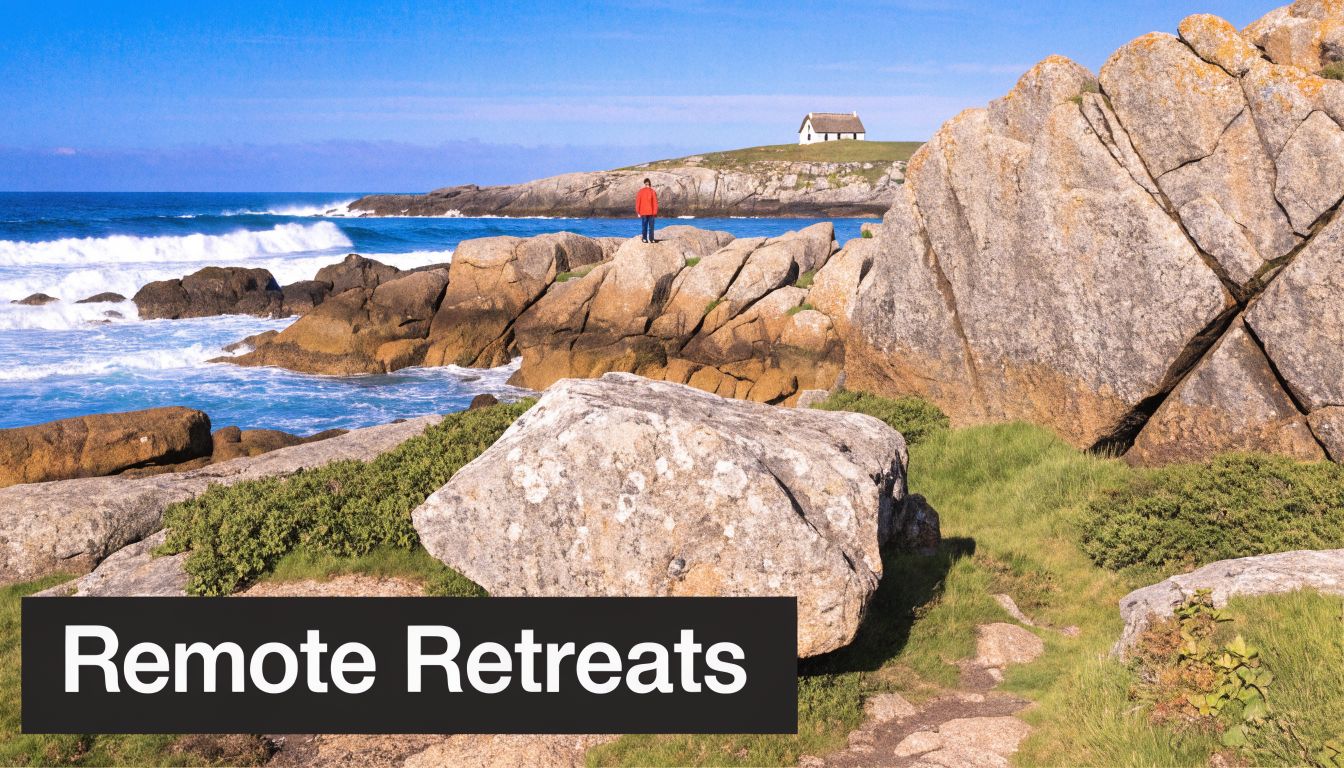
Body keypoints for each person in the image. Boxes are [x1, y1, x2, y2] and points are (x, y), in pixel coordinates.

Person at [636, 178, 658, 243]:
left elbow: (638, 202)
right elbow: (655, 203)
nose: (647, 185)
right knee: (649, 227)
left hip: (647, 212)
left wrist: (638, 212)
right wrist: (655, 212)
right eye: (647, 184)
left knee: (646, 226)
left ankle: (647, 239)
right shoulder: (651, 191)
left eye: (647, 184)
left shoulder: (643, 191)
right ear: (648, 184)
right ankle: (649, 239)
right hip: (648, 212)